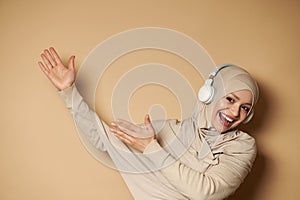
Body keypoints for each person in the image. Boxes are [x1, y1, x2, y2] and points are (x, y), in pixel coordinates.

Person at [38, 47, 259, 200]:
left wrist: (151, 149)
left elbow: (206, 193)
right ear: (209, 94)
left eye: (245, 108)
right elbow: (104, 140)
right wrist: (68, 92)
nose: (234, 112)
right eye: (230, 99)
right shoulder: (168, 130)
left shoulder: (241, 147)